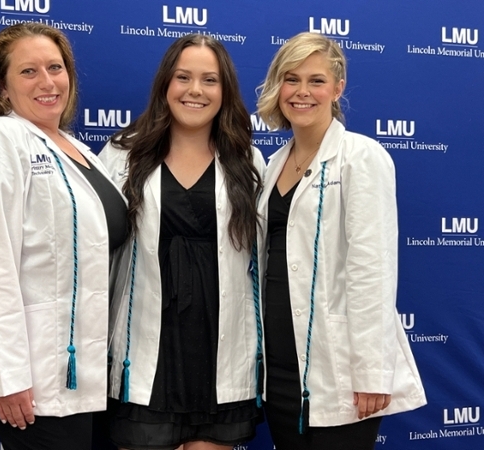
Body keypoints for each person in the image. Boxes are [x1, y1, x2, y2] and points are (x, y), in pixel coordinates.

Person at [0, 23, 128, 450]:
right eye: (28, 72)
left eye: (55, 68)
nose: (47, 82)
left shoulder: (76, 149)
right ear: (2, 87)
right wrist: (6, 378)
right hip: (33, 383)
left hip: (85, 374)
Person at [255, 32, 427, 449]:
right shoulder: (272, 163)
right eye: (290, 79)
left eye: (316, 80)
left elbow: (373, 269)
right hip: (280, 367)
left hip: (340, 369)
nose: (301, 92)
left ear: (338, 88)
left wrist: (371, 372)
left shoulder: (361, 157)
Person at [98, 34, 265, 450]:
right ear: (164, 85)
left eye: (210, 80)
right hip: (148, 348)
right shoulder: (124, 154)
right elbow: (94, 248)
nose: (195, 90)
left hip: (218, 348)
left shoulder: (247, 161)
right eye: (183, 77)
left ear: (225, 91)